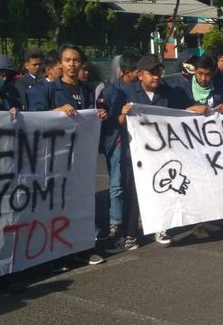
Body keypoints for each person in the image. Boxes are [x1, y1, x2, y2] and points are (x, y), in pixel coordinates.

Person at [27, 44, 108, 267]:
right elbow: (34, 117)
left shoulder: (87, 90)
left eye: (76, 60)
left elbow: (91, 116)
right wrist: (55, 112)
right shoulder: (49, 89)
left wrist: (99, 114)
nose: (72, 65)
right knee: (56, 205)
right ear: (60, 63)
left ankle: (82, 248)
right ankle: (56, 253)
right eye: (67, 60)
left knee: (81, 203)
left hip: (81, 158)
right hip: (55, 158)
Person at [119, 54, 184, 245]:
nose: (156, 77)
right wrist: (123, 115)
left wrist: (198, 109)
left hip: (162, 152)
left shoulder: (169, 92)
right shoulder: (127, 92)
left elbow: (183, 113)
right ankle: (130, 233)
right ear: (140, 75)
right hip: (136, 152)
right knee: (133, 192)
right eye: (152, 73)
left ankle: (161, 227)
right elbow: (118, 121)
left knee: (162, 188)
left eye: (159, 72)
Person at [170, 53, 223, 238]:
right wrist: (191, 109)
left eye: (208, 75)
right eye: (200, 74)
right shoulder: (181, 88)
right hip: (188, 144)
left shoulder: (218, 87)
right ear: (194, 71)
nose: (204, 79)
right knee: (193, 184)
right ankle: (195, 224)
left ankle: (207, 220)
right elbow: (170, 111)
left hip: (210, 145)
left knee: (209, 182)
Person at [98, 52, 139, 253]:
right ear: (125, 72)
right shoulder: (109, 92)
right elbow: (102, 117)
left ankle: (131, 221)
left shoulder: (139, 89)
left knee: (133, 184)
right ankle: (116, 222)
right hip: (117, 141)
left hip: (137, 143)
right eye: (136, 71)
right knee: (116, 184)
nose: (140, 74)